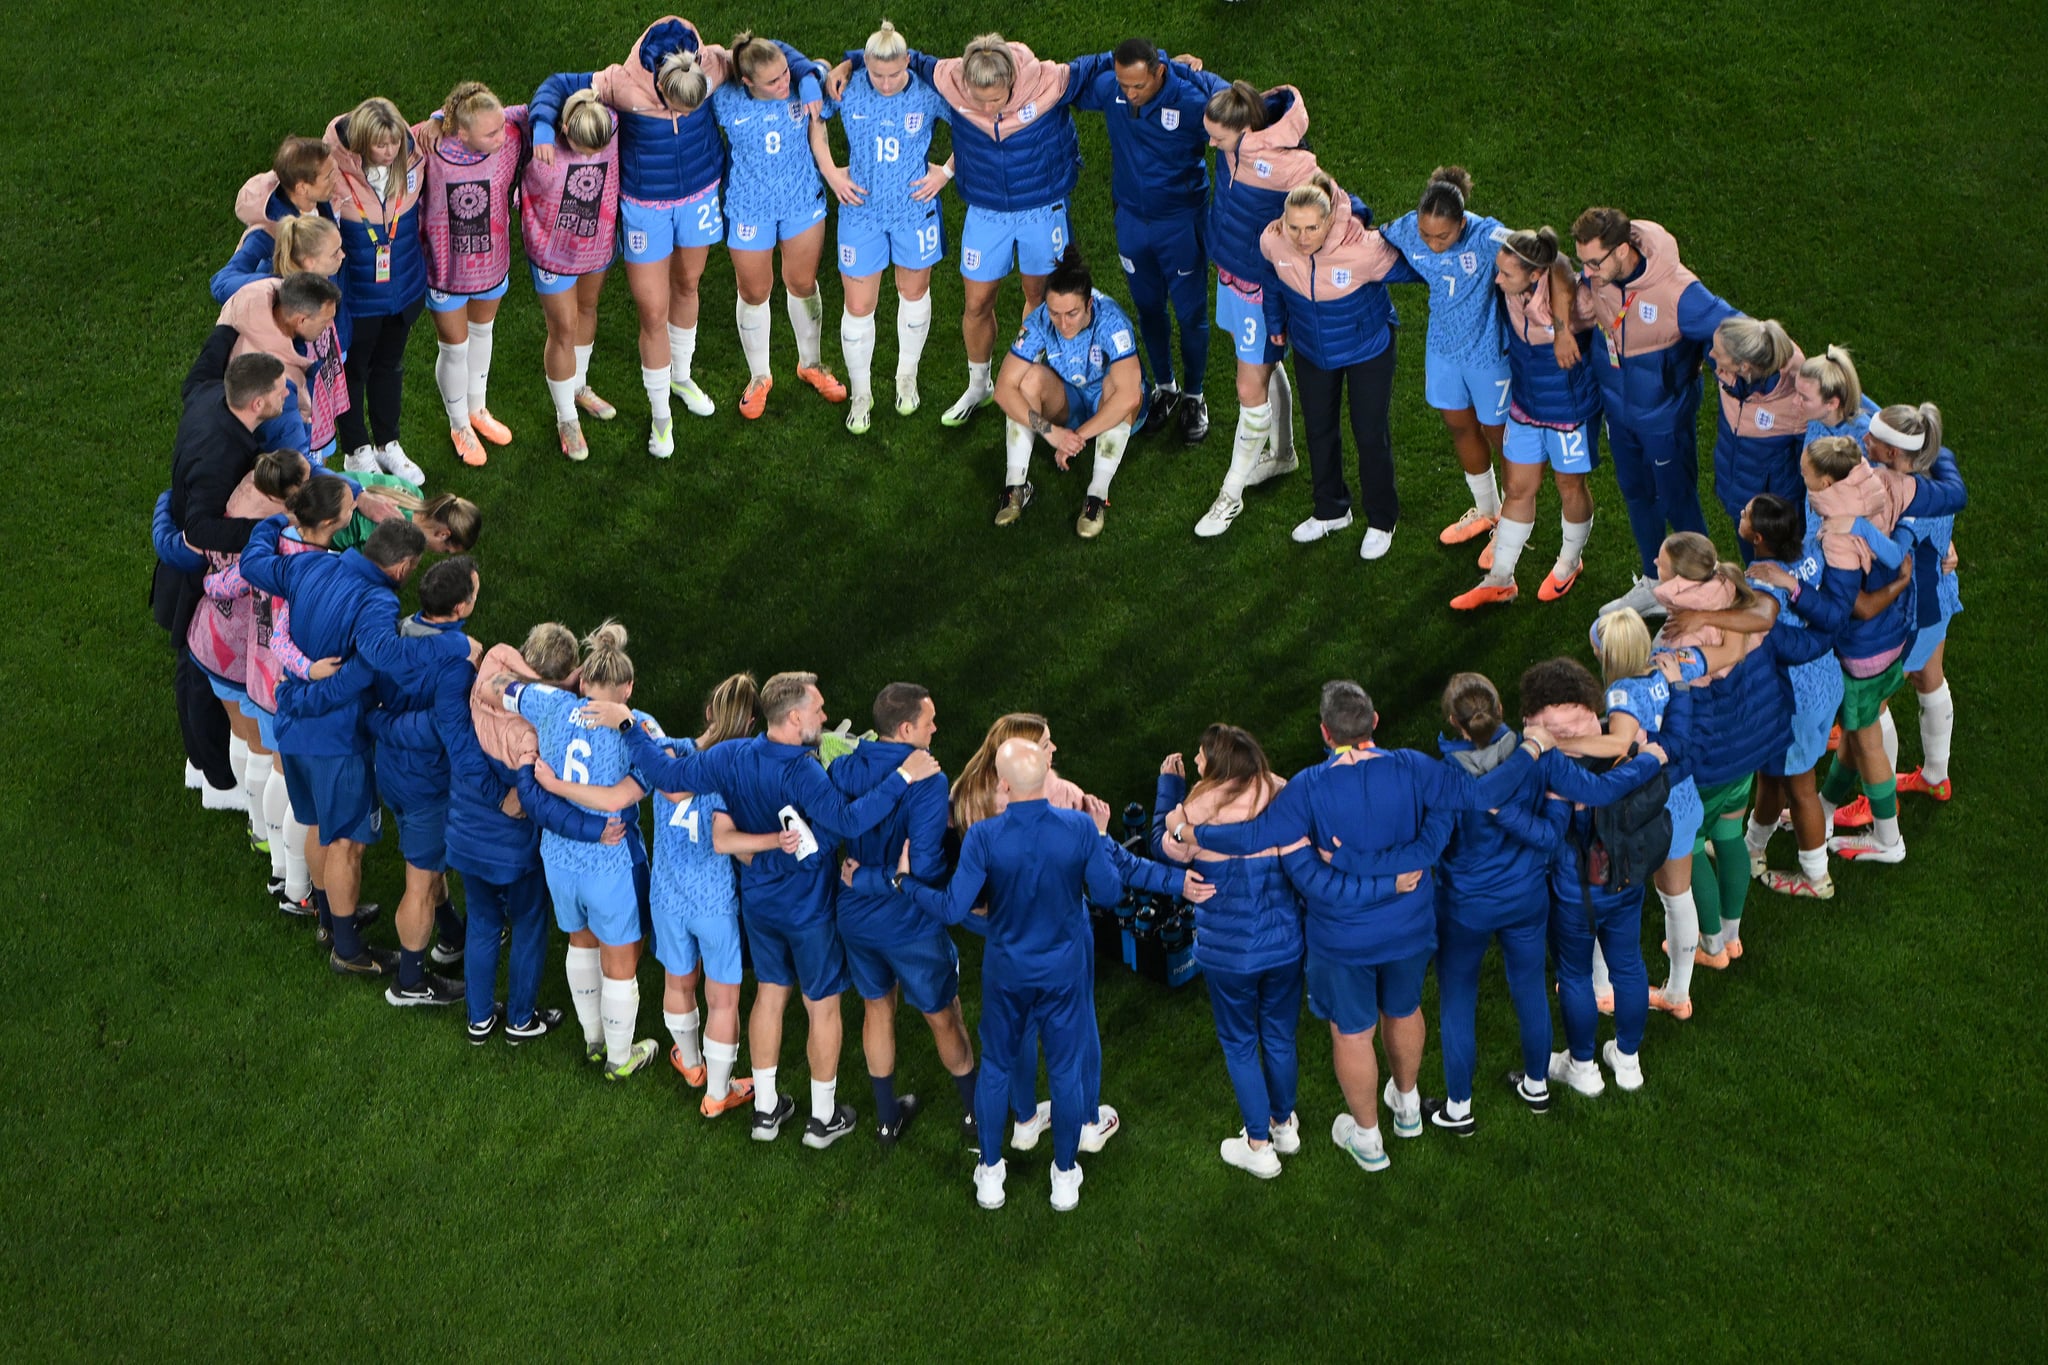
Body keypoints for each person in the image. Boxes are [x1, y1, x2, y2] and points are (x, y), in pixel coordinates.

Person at [1183, 681, 1553, 1171]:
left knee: (1353, 1033)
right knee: (1403, 1010)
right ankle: (1406, 1106)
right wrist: (1530, 748)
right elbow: (1485, 792)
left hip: (1343, 938)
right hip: (1409, 928)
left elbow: (1251, 837)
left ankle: (1369, 1140)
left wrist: (1191, 831)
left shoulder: (1308, 788)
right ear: (1374, 722)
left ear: (1324, 731)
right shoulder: (1417, 767)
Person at [563, 671, 944, 1145]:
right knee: (821, 1005)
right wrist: (905, 775)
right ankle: (822, 1120)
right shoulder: (801, 770)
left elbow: (664, 775)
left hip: (759, 902)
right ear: (795, 717)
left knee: (770, 993)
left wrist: (627, 726)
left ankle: (765, 1110)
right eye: (819, 710)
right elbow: (850, 818)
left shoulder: (730, 754)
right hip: (808, 906)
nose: (825, 718)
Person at [879, 737, 1195, 1212]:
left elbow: (951, 907)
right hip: (1064, 972)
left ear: (1003, 784)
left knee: (996, 1069)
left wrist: (904, 883)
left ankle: (990, 1175)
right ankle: (1065, 1177)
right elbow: (1109, 895)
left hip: (1008, 972)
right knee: (1066, 1072)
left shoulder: (984, 837)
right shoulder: (1078, 828)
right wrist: (1100, 833)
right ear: (1044, 775)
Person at [532, 20, 812, 453]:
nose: (684, 116)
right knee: (652, 310)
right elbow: (557, 84)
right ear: (661, 89)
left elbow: (764, 54)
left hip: (699, 196)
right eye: (679, 109)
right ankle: (661, 416)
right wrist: (542, 128)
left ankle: (681, 378)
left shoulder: (713, 63)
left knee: (687, 285)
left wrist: (809, 77)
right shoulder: (621, 83)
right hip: (646, 208)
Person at [1421, 674, 1667, 1132]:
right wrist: (1650, 760)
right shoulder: (1537, 757)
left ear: (1453, 721)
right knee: (1530, 988)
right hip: (1526, 900)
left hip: (1463, 908)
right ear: (1499, 712)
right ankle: (1537, 1085)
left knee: (1457, 1002)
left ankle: (1459, 1109)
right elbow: (1600, 792)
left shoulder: (1439, 776)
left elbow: (1433, 845)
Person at [829, 34, 1102, 429]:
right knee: (976, 304)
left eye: (996, 99)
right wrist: (851, 60)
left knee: (1040, 301)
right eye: (979, 99)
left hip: (1041, 211)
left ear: (1012, 81)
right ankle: (980, 385)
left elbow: (1100, 64)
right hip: (986, 213)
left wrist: (1164, 62)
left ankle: (1030, 386)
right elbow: (907, 59)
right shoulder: (952, 81)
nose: (987, 108)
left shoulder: (1048, 83)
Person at [239, 517, 467, 977]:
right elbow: (384, 658)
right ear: (402, 567)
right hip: (335, 740)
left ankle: (330, 919)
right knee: (345, 843)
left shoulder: (310, 565)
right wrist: (453, 648)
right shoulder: (377, 601)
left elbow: (253, 565)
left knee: (322, 825)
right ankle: (347, 949)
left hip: (294, 730)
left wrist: (271, 520)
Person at [496, 622, 663, 1076]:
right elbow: (634, 791)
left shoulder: (549, 704)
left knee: (580, 944)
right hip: (610, 860)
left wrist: (557, 688)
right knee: (620, 960)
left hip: (559, 855)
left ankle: (593, 1041)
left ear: (584, 679)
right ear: (628, 687)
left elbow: (497, 688)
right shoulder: (642, 727)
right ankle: (619, 1057)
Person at [440, 622, 619, 1044]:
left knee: (482, 922)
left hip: (465, 836)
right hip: (513, 849)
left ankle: (479, 1019)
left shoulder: (486, 679)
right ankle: (520, 1019)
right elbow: (525, 799)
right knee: (528, 924)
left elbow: (502, 651)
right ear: (564, 674)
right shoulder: (536, 729)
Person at [1563, 208, 1739, 617]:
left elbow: (1738, 331)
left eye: (1593, 262)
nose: (1586, 272)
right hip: (1619, 414)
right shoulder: (1600, 277)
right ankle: (1655, 582)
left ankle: (1702, 591)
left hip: (1664, 420)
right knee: (1637, 494)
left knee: (1678, 501)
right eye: (1582, 262)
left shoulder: (1679, 292)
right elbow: (1558, 280)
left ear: (1623, 250)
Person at [827, 683, 979, 1145]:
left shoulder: (845, 767)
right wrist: (891, 875)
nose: (935, 728)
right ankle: (977, 1120)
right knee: (943, 1015)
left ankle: (887, 1119)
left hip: (854, 916)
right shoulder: (929, 780)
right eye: (928, 721)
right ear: (906, 728)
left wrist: (863, 877)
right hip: (909, 921)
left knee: (877, 1009)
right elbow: (927, 867)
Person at [1151, 726, 1306, 1177]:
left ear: (1218, 763)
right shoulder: (1282, 791)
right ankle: (1284, 1127)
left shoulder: (1196, 809)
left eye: (1201, 757)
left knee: (1240, 1044)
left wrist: (1169, 792)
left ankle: (1258, 1147)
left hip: (1228, 955)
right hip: (1284, 947)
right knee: (1279, 1036)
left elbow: (1165, 851)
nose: (1198, 763)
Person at [639, 674, 793, 1115]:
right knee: (722, 999)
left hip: (666, 896)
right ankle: (718, 1093)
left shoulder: (667, 754)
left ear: (708, 712)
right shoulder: (736, 775)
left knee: (677, 982)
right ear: (749, 723)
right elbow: (731, 840)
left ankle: (690, 1063)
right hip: (714, 903)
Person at [1070, 39, 1229, 444]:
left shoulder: (1192, 100)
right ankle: (1166, 387)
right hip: (1132, 223)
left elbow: (1234, 108)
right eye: (1124, 84)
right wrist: (1105, 59)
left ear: (1160, 72)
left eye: (1138, 85)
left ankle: (1194, 395)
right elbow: (1067, 83)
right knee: (1148, 308)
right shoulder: (1112, 89)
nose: (1129, 93)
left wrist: (1191, 71)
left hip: (1180, 223)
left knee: (1191, 314)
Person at [1259, 173, 1423, 560]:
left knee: (1369, 434)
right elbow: (1272, 277)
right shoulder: (1273, 241)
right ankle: (1332, 510)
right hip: (1312, 350)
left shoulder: (1364, 250)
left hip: (1368, 349)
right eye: (1294, 227)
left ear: (1329, 221)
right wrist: (1274, 323)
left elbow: (1418, 268)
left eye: (1312, 227)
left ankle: (1382, 520)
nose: (1302, 237)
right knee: (1319, 430)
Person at [1190, 81, 1320, 538]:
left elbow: (1329, 204)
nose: (1210, 144)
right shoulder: (1235, 134)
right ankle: (1283, 455)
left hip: (1261, 288)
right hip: (1230, 274)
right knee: (1262, 368)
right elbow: (1211, 86)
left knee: (1249, 387)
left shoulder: (1291, 165)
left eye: (1217, 138)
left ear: (1245, 129)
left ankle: (1231, 495)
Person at [1516, 657, 1652, 1093]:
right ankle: (1628, 1061)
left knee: (1574, 975)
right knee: (1628, 965)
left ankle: (1584, 1067)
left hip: (1575, 891)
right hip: (1628, 878)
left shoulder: (1542, 760)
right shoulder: (1625, 742)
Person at [808, 21, 951, 433]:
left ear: (908, 61)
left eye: (893, 74)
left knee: (913, 292)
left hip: (914, 212)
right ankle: (861, 392)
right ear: (864, 65)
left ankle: (907, 376)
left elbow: (972, 125)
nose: (886, 83)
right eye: (876, 74)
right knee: (858, 306)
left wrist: (945, 173)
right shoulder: (848, 87)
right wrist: (831, 172)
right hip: (860, 212)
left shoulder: (927, 92)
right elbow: (817, 122)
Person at [162, 342, 290, 801]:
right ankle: (212, 775)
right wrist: (270, 531)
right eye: (279, 390)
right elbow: (200, 528)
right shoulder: (220, 455)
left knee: (199, 672)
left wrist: (231, 323)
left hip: (203, 578)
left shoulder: (213, 397)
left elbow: (193, 379)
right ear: (256, 403)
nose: (286, 394)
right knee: (197, 678)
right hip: (197, 575)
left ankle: (208, 767)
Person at [363, 556, 486, 1006]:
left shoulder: (395, 633)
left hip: (391, 772)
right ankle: (410, 982)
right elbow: (446, 731)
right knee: (419, 881)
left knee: (428, 864)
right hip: (427, 782)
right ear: (458, 609)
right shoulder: (456, 664)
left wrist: (381, 725)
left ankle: (452, 934)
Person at [1456, 225, 1600, 608]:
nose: (1497, 279)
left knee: (1570, 487)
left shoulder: (1578, 305)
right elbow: (1555, 262)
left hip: (1569, 411)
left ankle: (1570, 561)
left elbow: (1564, 269)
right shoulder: (1519, 283)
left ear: (1535, 275)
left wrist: (1564, 330)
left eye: (1506, 274)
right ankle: (1501, 578)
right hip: (1524, 406)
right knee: (1518, 489)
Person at [711, 31, 843, 420]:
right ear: (747, 81)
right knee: (754, 291)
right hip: (749, 208)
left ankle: (811, 364)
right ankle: (759, 376)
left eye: (786, 73)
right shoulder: (724, 99)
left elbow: (826, 71)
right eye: (774, 80)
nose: (784, 83)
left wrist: (807, 74)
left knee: (802, 283)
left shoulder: (805, 87)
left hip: (802, 203)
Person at [1378, 168, 1512, 547]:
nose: (1434, 244)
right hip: (1443, 350)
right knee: (1459, 427)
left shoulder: (1486, 234)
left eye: (1444, 236)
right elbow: (1367, 238)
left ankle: (1514, 525)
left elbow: (1533, 251)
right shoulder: (1406, 229)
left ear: (1462, 223)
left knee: (1503, 439)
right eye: (1426, 235)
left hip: (1488, 352)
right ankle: (1488, 510)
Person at [991, 245, 1147, 537]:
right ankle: (1015, 486)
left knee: (1118, 382)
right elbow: (1003, 389)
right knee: (1027, 380)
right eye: (1055, 313)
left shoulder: (1112, 322)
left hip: (1111, 403)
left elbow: (1129, 396)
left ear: (1089, 304)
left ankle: (1097, 495)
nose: (1063, 323)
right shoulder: (1039, 320)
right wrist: (1051, 432)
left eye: (1072, 313)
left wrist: (1076, 438)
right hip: (1069, 399)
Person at [417, 82, 528, 467]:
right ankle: (459, 423)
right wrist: (434, 120)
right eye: (490, 133)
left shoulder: (511, 134)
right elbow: (387, 132)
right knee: (455, 347)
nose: (501, 137)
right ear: (461, 132)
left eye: (500, 127)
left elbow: (536, 108)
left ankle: (478, 410)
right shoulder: (430, 147)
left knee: (483, 333)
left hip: (492, 263)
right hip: (445, 271)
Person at [325, 97, 430, 484]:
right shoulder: (331, 172)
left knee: (390, 367)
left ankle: (388, 444)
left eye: (395, 143)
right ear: (361, 143)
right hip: (357, 299)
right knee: (354, 372)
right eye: (381, 145)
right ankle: (357, 450)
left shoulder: (414, 159)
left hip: (404, 292)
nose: (390, 152)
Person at [522, 87, 624, 461]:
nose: (593, 156)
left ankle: (578, 386)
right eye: (584, 149)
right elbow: (522, 105)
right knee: (562, 327)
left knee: (587, 310)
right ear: (564, 127)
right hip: (551, 251)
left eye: (599, 150)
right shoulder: (536, 132)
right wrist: (439, 121)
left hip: (597, 245)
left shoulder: (609, 122)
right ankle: (566, 417)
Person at [1868, 404, 1962, 805]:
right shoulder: (1937, 470)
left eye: (1874, 439)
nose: (1865, 441)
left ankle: (1882, 805)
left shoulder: (1902, 499)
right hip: (1938, 595)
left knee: (1871, 706)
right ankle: (1936, 777)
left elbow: (1889, 556)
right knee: (1929, 677)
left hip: (1911, 610)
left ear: (1893, 453)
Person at [217, 271, 348, 462]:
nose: (329, 326)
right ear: (301, 320)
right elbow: (295, 466)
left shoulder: (254, 298)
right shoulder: (280, 384)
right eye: (324, 320)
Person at [1706, 316, 1808, 554]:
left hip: (1774, 519)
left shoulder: (1797, 403)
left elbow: (1811, 463)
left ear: (1744, 366)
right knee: (1751, 567)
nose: (1711, 355)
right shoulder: (1729, 374)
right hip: (1740, 500)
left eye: (1718, 352)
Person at [209, 137, 340, 304]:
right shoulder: (268, 233)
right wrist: (285, 285)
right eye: (328, 176)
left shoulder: (323, 207)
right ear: (302, 188)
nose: (335, 179)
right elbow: (222, 283)